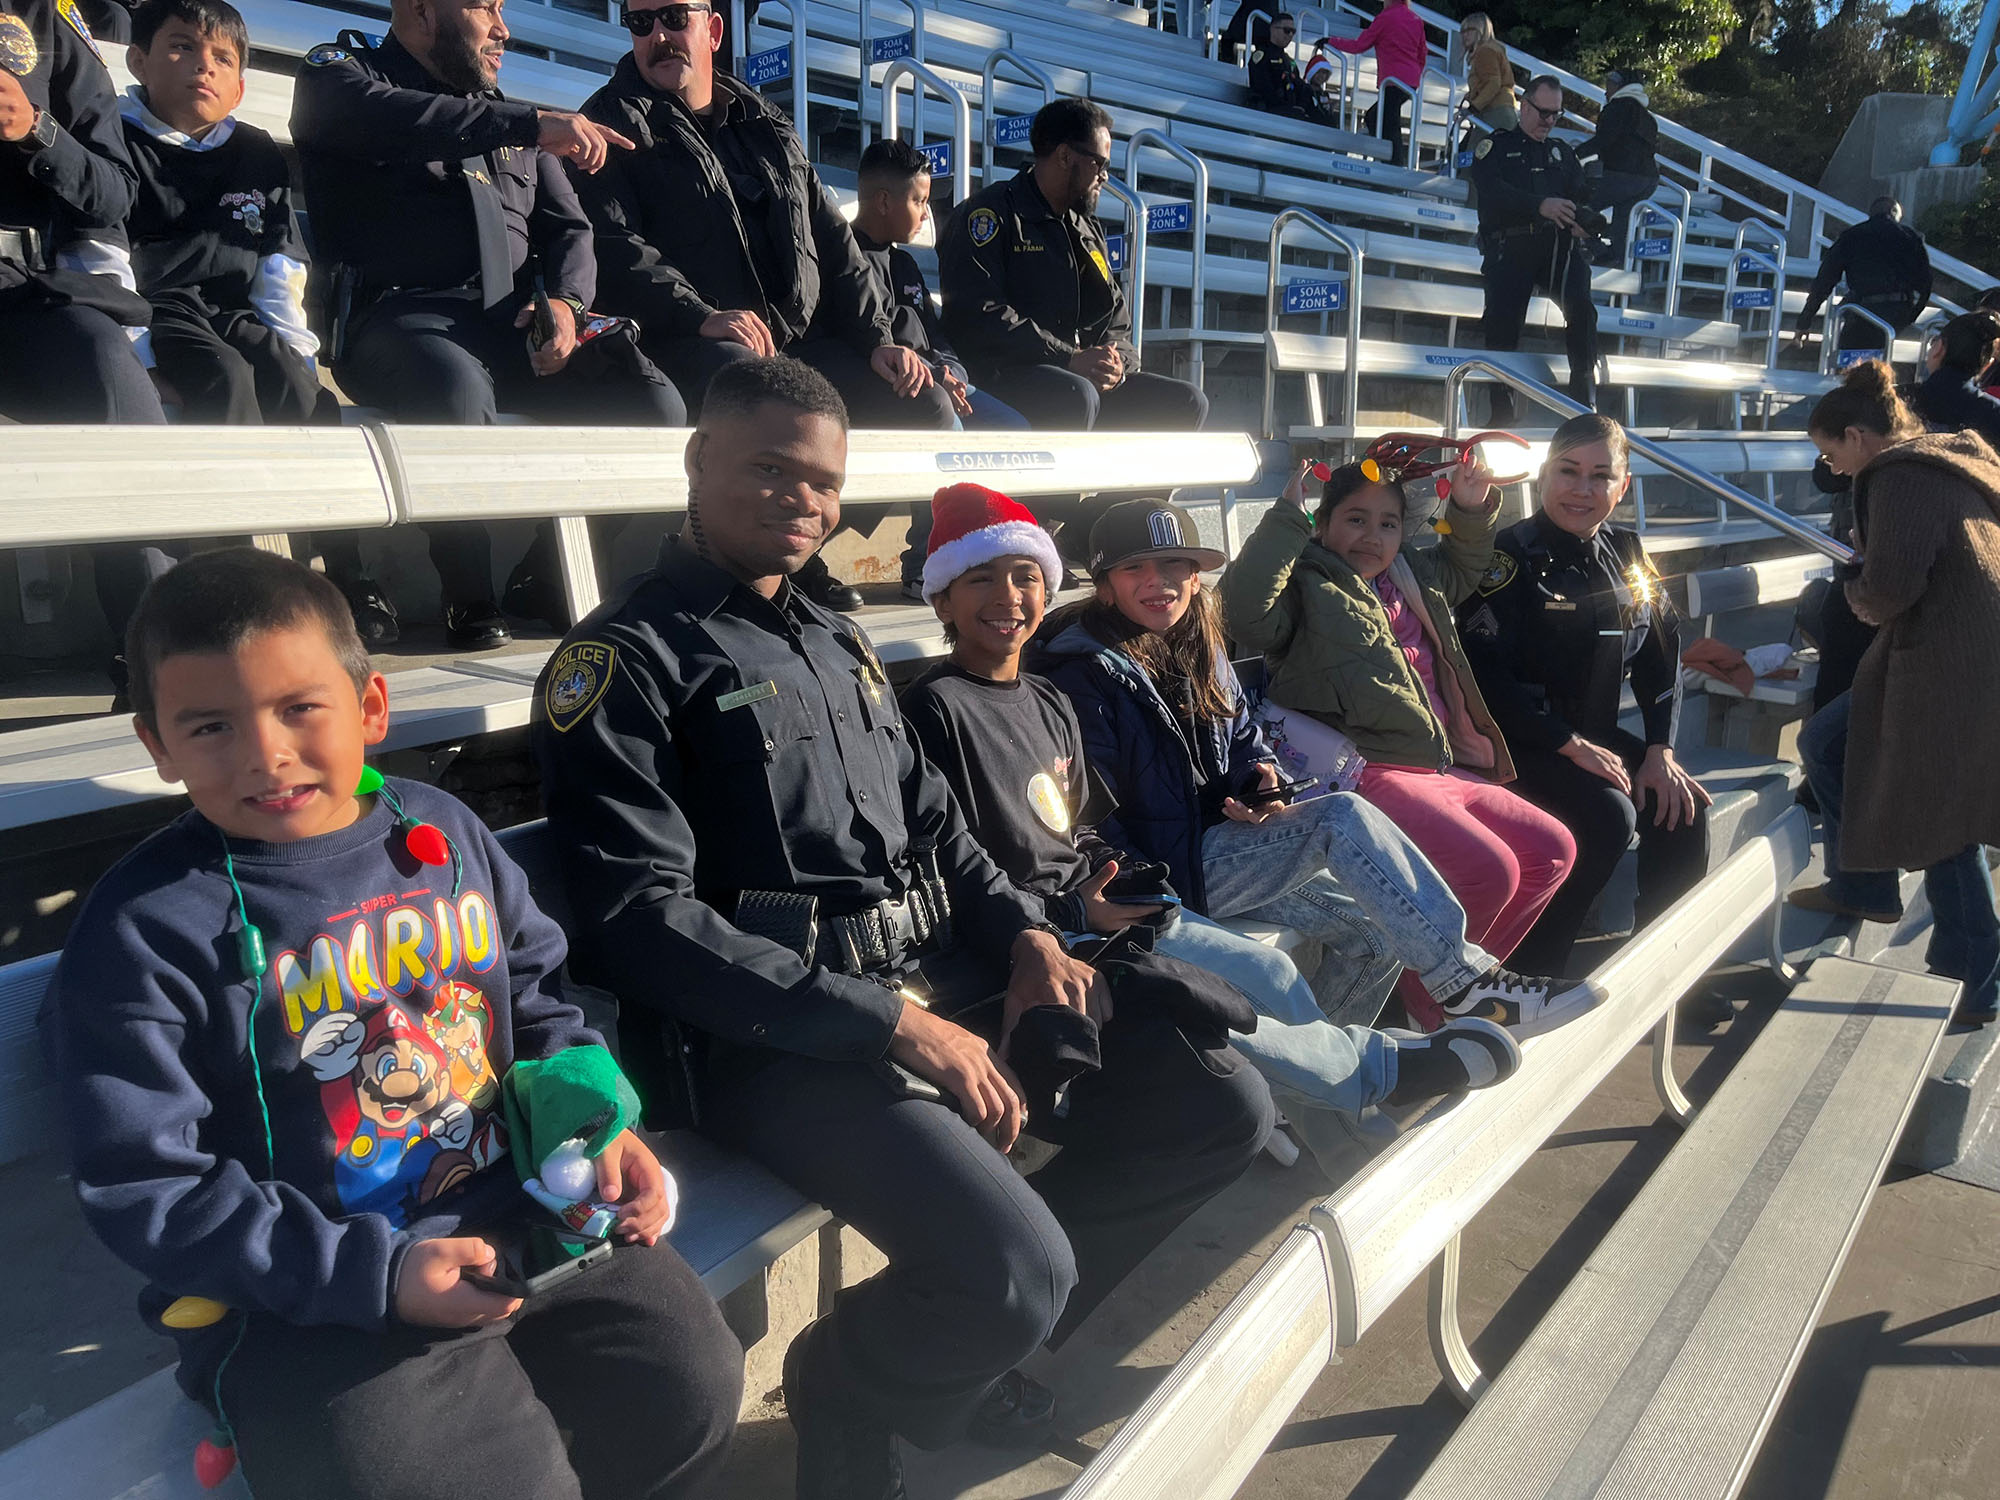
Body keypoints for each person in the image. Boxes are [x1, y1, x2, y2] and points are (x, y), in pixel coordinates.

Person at [532, 357, 1272, 1500]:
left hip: (941, 974)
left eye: (822, 482)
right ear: (697, 461)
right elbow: (640, 921)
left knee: (1215, 1106)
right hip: (772, 1040)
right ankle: (848, 1381)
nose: (800, 500)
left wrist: (1029, 938)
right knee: (1015, 1270)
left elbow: (935, 828)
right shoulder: (625, 661)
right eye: (768, 468)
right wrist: (887, 1028)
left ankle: (946, 1343)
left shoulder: (834, 634)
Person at [45, 548, 742, 1500]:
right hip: (312, 1296)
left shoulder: (446, 831)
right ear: (157, 744)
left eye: (300, 708)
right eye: (209, 725)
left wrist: (598, 1123)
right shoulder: (147, 925)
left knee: (689, 1384)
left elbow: (540, 1004)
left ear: (371, 708)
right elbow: (145, 1180)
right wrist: (375, 1278)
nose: (265, 754)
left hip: (530, 1213)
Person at [901, 482, 1523, 1171]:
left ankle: (1338, 1129)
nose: (1008, 597)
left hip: (1119, 898)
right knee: (1220, 997)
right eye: (980, 579)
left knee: (1271, 966)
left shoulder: (1043, 696)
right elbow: (957, 859)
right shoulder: (935, 708)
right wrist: (1074, 906)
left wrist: (1128, 871)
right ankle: (1379, 1072)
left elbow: (1083, 822)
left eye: (1025, 578)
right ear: (941, 599)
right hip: (1049, 930)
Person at [1031, 496, 1605, 1038]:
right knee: (1339, 816)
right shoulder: (1080, 674)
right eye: (1137, 568)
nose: (1161, 582)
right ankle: (1464, 985)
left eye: (1176, 564)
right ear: (1103, 586)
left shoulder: (1195, 642)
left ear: (1196, 576)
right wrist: (1134, 881)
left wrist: (1261, 781)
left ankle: (1329, 1086)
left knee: (1378, 936)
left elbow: (1245, 740)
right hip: (1161, 874)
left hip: (1221, 847)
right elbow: (1086, 810)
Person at [291, 1, 683, 651]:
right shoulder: (344, 74)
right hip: (399, 319)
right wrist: (529, 125)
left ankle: (546, 576)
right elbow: (398, 121)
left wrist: (566, 302)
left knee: (651, 402)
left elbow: (568, 230)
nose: (504, 28)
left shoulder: (507, 114)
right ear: (420, 11)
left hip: (510, 322)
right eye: (485, 8)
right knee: (454, 392)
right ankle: (467, 596)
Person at [569, 0, 951, 613]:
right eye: (641, 24)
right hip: (683, 337)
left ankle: (803, 552)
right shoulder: (608, 123)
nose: (658, 36)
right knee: (753, 389)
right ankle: (764, 573)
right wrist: (700, 312)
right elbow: (613, 249)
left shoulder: (765, 120)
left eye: (673, 18)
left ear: (713, 29)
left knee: (921, 402)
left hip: (790, 339)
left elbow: (834, 241)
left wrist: (880, 338)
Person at [1222, 454, 1576, 1027]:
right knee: (1493, 870)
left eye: (1387, 523)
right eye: (1355, 519)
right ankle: (1435, 1010)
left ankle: (1455, 994)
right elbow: (1245, 616)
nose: (1373, 535)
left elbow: (1464, 564)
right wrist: (1288, 513)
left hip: (1436, 767)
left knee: (1552, 850)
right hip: (1361, 769)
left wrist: (1467, 505)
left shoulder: (1409, 574)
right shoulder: (1305, 583)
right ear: (1323, 524)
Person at [1457, 413, 1712, 978]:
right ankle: (1533, 975)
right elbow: (1484, 675)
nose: (1582, 488)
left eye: (1600, 476)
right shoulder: (1508, 556)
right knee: (1608, 816)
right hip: (1518, 739)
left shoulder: (1627, 551)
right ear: (1545, 476)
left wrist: (1659, 751)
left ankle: (1663, 973)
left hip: (1591, 738)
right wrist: (1565, 742)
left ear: (1622, 486)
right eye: (1569, 471)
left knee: (1680, 811)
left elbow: (1662, 654)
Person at [1791, 362, 2000, 1024]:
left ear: (1857, 435)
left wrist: (1854, 585)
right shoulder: (1949, 457)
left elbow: (1888, 592)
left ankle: (1971, 977)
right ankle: (1867, 884)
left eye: (1833, 454)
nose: (1838, 470)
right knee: (1828, 743)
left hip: (1951, 666)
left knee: (1945, 825)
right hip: (1966, 657)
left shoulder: (1899, 476)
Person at [939, 96, 1209, 559]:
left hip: (1077, 372)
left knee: (1186, 403)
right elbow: (976, 313)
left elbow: (1117, 319)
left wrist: (1116, 363)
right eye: (1099, 162)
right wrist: (1069, 358)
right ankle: (1035, 531)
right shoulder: (990, 215)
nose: (1105, 175)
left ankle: (1098, 528)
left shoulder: (1087, 228)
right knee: (1073, 394)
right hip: (1001, 374)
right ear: (1065, 156)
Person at [2, 0, 175, 691]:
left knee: (106, 363)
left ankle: (158, 663)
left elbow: (112, 191)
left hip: (15, 289)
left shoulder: (43, 15)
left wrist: (34, 128)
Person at [850, 137, 1029, 602]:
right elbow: (868, 335)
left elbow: (935, 332)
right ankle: (925, 563)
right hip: (889, 385)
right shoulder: (841, 256)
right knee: (942, 421)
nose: (926, 213)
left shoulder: (907, 263)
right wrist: (936, 374)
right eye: (919, 200)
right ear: (885, 200)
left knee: (1013, 428)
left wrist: (950, 369)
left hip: (941, 379)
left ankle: (989, 551)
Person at [1469, 74, 1599, 421]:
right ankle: (1501, 405)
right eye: (1543, 112)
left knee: (1583, 306)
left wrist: (1584, 221)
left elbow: (1582, 194)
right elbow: (1491, 189)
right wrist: (1538, 205)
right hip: (1509, 246)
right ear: (1524, 106)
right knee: (1503, 321)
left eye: (1556, 114)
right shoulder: (1495, 146)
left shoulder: (1562, 153)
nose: (1549, 121)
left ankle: (1584, 399)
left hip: (1556, 247)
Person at [1793, 197, 1933, 355]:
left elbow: (1824, 282)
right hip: (1898, 313)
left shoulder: (1851, 236)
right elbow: (1926, 284)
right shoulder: (1911, 238)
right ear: (1894, 213)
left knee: (1849, 367)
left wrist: (1805, 320)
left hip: (1862, 313)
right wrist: (1910, 317)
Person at [1321, 0, 1425, 162]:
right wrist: (1415, 74)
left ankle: (1392, 164)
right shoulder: (1416, 19)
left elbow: (1359, 45)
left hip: (1392, 80)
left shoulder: (1385, 18)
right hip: (1410, 81)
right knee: (1382, 118)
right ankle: (1388, 160)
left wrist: (1331, 41)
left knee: (1385, 122)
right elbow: (1422, 53)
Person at [1575, 67, 1658, 261]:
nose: (1606, 91)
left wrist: (1574, 155)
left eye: (1610, 86)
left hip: (1622, 176)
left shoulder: (1616, 108)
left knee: (1575, 204)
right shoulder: (1647, 116)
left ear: (1621, 87)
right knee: (1623, 228)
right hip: (1648, 180)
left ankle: (1591, 245)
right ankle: (1614, 261)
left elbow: (1603, 140)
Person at [1913, 309, 2000, 449]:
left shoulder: (1897, 399)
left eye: (1933, 341)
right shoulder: (1994, 414)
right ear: (1987, 365)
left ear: (1939, 348)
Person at [1249, 14, 1335, 125]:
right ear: (1273, 29)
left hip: (1289, 112)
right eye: (1287, 30)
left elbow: (1301, 88)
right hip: (1268, 113)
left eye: (1293, 32)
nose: (1290, 35)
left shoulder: (1289, 62)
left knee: (1327, 120)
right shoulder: (1262, 56)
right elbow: (1264, 89)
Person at [1458, 12, 1515, 134]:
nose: (1465, 35)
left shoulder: (1485, 51)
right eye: (1463, 31)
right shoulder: (1493, 48)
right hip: (1502, 111)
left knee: (1474, 151)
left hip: (1495, 112)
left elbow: (1493, 83)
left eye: (1470, 30)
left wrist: (1474, 107)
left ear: (1480, 30)